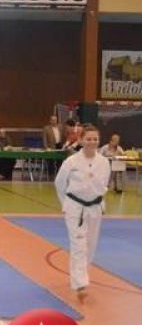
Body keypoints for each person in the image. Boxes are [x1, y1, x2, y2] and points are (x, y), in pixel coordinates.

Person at [54, 125, 110, 296]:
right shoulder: (71, 162)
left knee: (90, 244)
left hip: (95, 207)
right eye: (89, 139)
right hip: (75, 207)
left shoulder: (104, 162)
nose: (92, 142)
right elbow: (59, 183)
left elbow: (103, 186)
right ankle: (80, 284)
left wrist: (102, 204)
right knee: (79, 244)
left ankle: (82, 275)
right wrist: (66, 204)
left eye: (95, 139)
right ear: (81, 140)